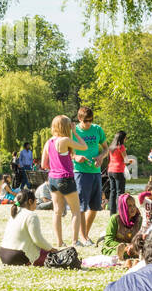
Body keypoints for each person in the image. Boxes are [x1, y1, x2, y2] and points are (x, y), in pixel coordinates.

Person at [40, 115, 87, 248]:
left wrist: (56, 166)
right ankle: (75, 241)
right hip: (65, 178)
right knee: (76, 211)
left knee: (57, 211)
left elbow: (44, 164)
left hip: (53, 179)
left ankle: (59, 241)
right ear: (66, 127)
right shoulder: (65, 140)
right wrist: (76, 133)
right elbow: (84, 147)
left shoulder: (49, 142)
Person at [71, 106, 107, 246]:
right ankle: (83, 237)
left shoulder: (97, 129)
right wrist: (76, 157)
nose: (88, 123)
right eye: (86, 120)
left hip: (96, 172)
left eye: (91, 120)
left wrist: (101, 157)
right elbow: (67, 152)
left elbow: (106, 149)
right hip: (80, 172)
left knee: (95, 206)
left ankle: (86, 234)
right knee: (81, 206)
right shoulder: (74, 131)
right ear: (80, 118)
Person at [0, 190, 57, 266]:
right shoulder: (31, 215)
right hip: (18, 255)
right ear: (30, 201)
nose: (36, 203)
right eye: (36, 201)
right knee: (55, 257)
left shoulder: (14, 213)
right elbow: (37, 240)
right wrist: (51, 249)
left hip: (3, 254)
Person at [103, 193, 144, 261]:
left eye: (134, 205)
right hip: (116, 247)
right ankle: (120, 255)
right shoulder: (115, 219)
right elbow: (108, 241)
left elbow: (142, 238)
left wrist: (134, 246)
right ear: (123, 207)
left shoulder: (139, 220)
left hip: (134, 248)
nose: (133, 208)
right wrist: (125, 246)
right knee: (117, 252)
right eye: (129, 206)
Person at [104, 131, 127, 206]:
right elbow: (126, 160)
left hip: (110, 170)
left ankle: (112, 211)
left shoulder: (111, 147)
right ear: (122, 138)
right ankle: (120, 210)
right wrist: (131, 161)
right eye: (125, 138)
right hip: (118, 170)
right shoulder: (121, 147)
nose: (126, 139)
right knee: (120, 192)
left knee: (112, 191)